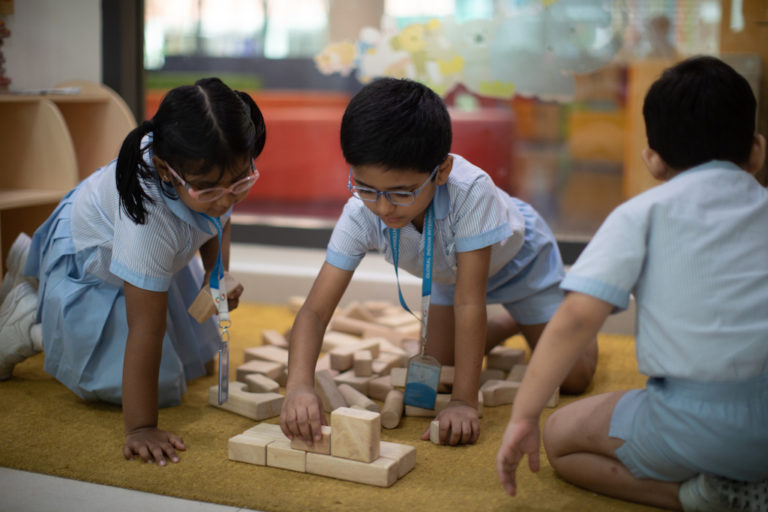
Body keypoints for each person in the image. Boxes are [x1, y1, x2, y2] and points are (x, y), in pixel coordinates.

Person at [496, 56, 768, 511]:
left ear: (653, 160)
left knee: (561, 436)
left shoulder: (641, 214)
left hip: (687, 423)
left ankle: (698, 497)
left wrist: (524, 415)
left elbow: (577, 318)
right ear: (756, 151)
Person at [280, 77, 597, 447]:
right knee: (438, 370)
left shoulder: (470, 190)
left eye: (402, 193)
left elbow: (469, 301)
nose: (382, 208)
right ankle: (513, 321)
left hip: (520, 262)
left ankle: (570, 316)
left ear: (442, 170)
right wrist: (299, 386)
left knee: (573, 377)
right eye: (366, 188)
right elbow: (315, 311)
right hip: (448, 274)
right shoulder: (360, 211)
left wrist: (464, 402)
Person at [0, 77, 266, 466]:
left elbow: (217, 221)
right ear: (164, 171)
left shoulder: (212, 170)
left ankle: (28, 263)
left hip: (148, 247)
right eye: (210, 190)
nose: (227, 198)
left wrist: (216, 274)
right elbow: (146, 329)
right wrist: (141, 428)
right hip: (94, 260)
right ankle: (34, 321)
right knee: (129, 383)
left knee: (198, 363)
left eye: (241, 183)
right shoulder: (148, 226)